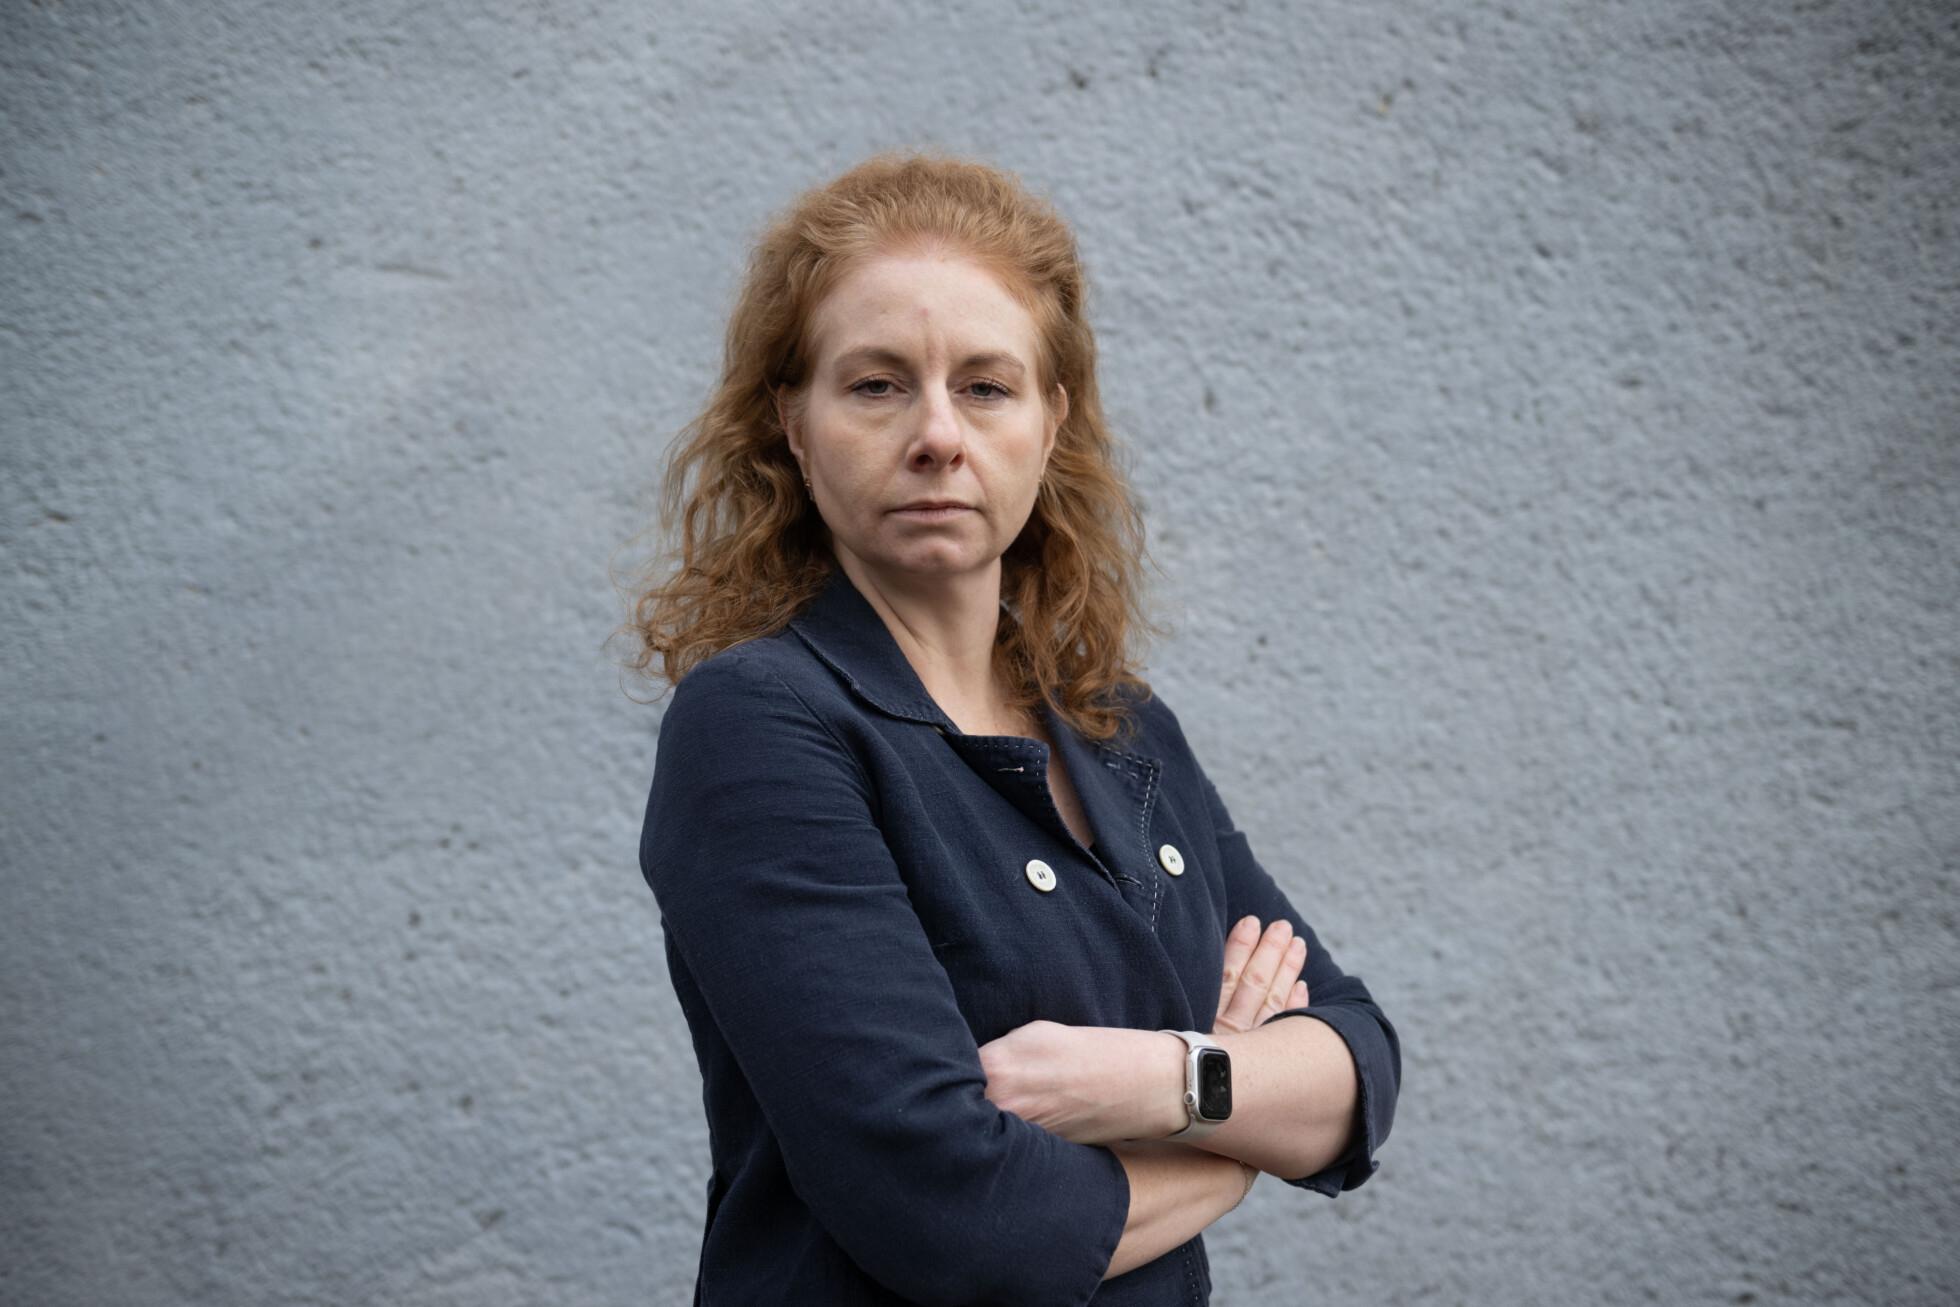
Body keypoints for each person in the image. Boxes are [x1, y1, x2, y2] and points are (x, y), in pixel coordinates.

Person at [623, 154, 1399, 1306]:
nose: (938, 434)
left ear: (1050, 422)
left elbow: (1359, 1063)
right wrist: (1237, 1136)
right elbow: (961, 1221)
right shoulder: (760, 724)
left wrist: (1157, 1079)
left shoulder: (1119, 726)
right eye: (876, 385)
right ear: (791, 422)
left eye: (985, 386)